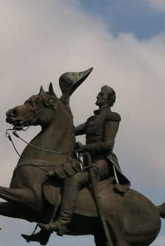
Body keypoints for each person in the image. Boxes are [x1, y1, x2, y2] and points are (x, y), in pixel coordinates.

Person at [36, 84, 129, 237]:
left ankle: (63, 223)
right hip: (88, 162)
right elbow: (70, 130)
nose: (98, 96)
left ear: (109, 100)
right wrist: (65, 106)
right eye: (99, 93)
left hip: (103, 162)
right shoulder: (92, 119)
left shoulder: (112, 117)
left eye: (102, 94)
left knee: (74, 180)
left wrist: (86, 148)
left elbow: (108, 144)